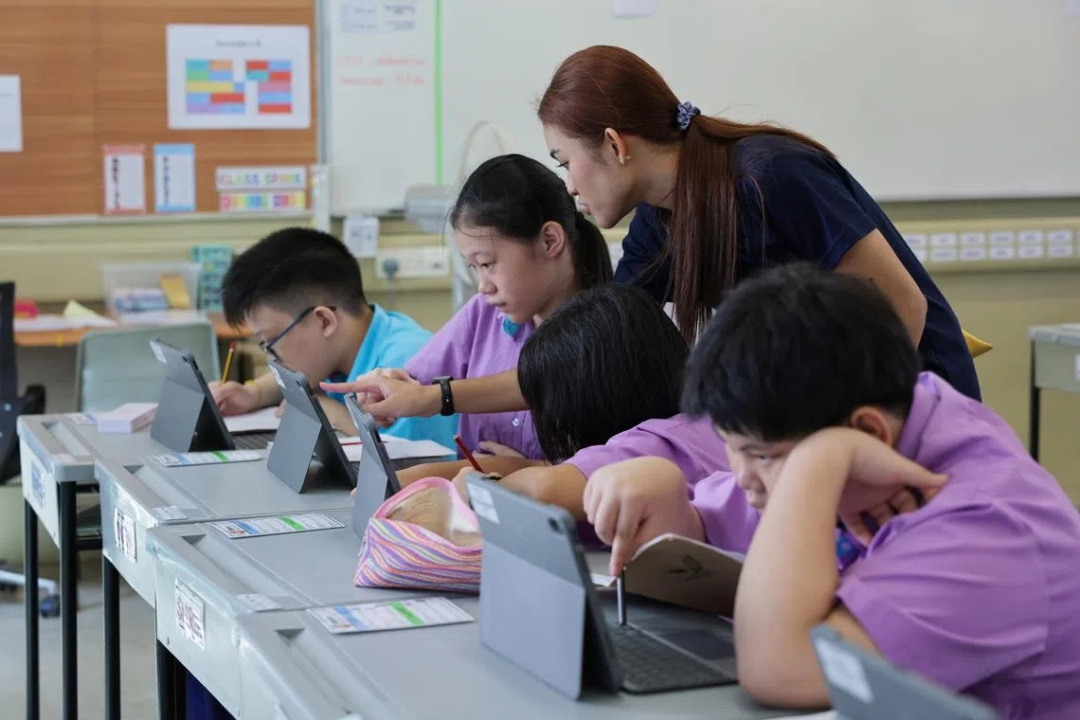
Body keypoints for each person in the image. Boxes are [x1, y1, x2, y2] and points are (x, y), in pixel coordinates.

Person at [325, 44, 979, 426]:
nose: (569, 186)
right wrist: (435, 398)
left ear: (615, 145)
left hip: (908, 404)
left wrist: (835, 433)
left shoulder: (773, 175)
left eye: (565, 161)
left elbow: (904, 308)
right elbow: (584, 360)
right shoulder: (658, 229)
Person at [583, 264, 1080, 718]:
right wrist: (664, 492)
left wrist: (818, 463)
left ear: (866, 434)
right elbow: (703, 535)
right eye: (731, 448)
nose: (743, 476)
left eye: (761, 456)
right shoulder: (883, 414)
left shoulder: (986, 528)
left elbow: (779, 671)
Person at [324, 154, 612, 460]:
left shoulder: (609, 335)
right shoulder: (483, 313)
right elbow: (415, 382)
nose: (483, 286)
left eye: (487, 263)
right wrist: (388, 388)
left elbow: (613, 467)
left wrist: (539, 473)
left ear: (550, 241)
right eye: (473, 267)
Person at [392, 283, 727, 519]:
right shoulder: (696, 424)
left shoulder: (653, 444)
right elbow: (542, 468)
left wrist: (477, 489)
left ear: (593, 403)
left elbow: (544, 488)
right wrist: (414, 478)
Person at [210, 226, 456, 446]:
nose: (272, 357)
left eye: (272, 342)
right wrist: (254, 393)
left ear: (325, 321)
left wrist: (336, 416)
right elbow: (298, 373)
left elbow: (411, 465)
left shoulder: (409, 368)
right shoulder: (347, 342)